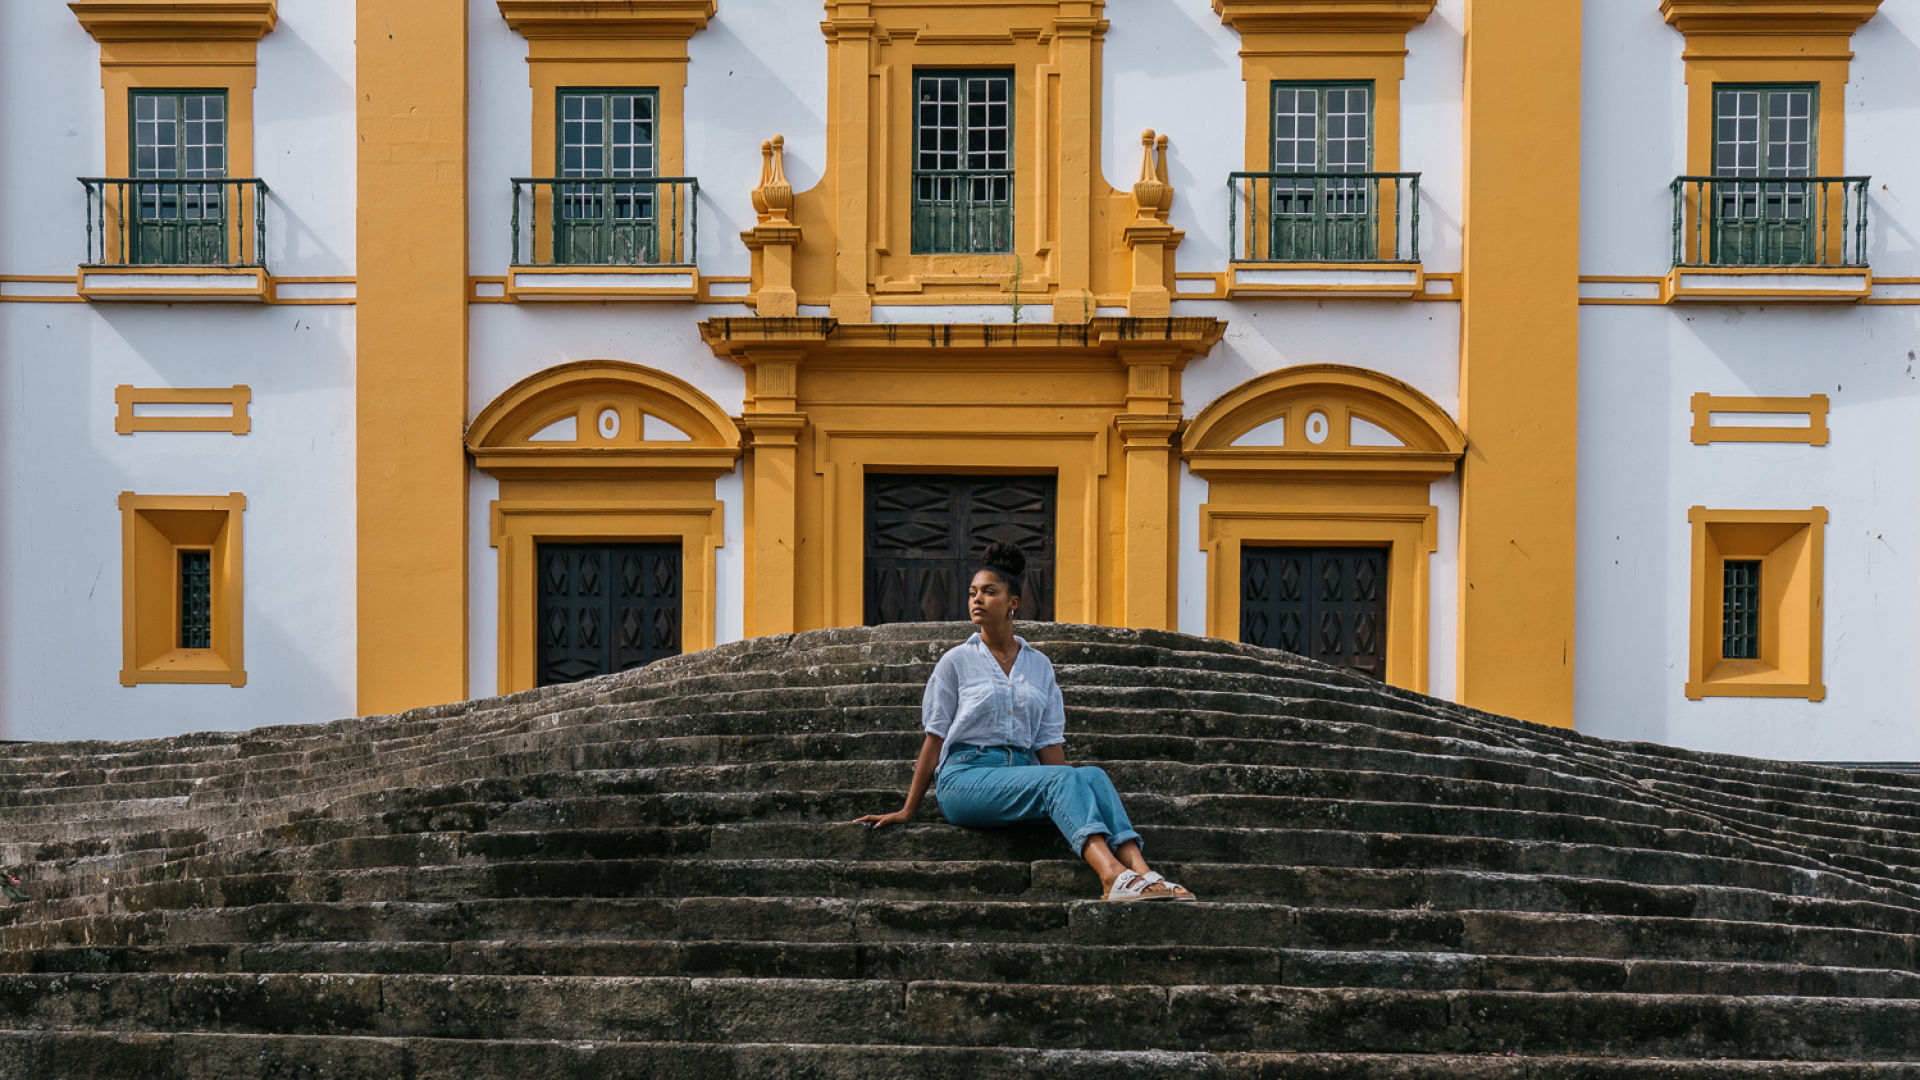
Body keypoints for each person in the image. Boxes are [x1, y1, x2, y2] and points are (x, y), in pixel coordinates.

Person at [854, 541, 1197, 902]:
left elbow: (1049, 745)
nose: (977, 600)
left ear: (1013, 602)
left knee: (1092, 776)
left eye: (989, 592)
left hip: (1022, 776)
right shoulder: (955, 661)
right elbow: (935, 737)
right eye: (973, 593)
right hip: (966, 779)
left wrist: (1074, 793)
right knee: (1065, 780)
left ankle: (1144, 874)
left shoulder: (1039, 665)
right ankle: (1111, 875)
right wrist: (909, 809)